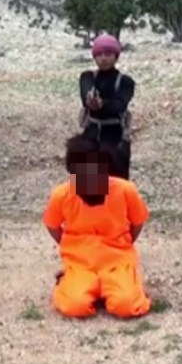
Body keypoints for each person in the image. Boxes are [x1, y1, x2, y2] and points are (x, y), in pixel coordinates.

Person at [43, 134, 152, 319]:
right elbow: (52, 224)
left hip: (117, 260)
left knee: (126, 306)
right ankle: (69, 280)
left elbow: (138, 221)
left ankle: (126, 283)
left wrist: (125, 245)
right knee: (74, 307)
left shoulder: (125, 190)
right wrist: (68, 247)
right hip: (80, 262)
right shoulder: (61, 194)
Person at [78, 33, 135, 179]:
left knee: (117, 188)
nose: (103, 58)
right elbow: (86, 94)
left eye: (108, 54)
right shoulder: (87, 77)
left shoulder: (126, 82)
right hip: (91, 138)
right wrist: (91, 102)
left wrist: (101, 105)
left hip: (115, 140)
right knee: (89, 191)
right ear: (94, 57)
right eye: (99, 54)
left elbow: (119, 105)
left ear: (116, 56)